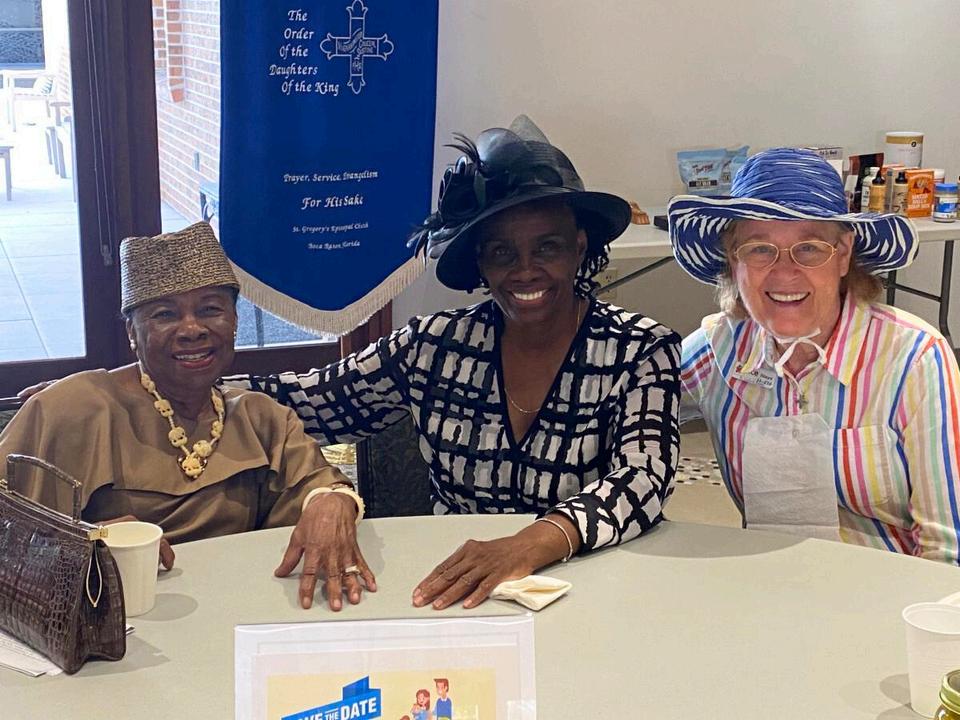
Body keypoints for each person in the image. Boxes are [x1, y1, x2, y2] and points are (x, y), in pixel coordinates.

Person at [225, 115, 682, 608]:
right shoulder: (433, 347)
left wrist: (530, 544)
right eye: (502, 252)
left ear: (579, 246)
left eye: (546, 247)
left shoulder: (641, 350)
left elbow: (643, 476)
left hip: (594, 587)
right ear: (479, 263)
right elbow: (308, 402)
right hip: (456, 594)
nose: (525, 270)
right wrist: (194, 380)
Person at [0, 223, 374, 609]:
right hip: (108, 619)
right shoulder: (75, 407)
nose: (192, 330)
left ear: (234, 322)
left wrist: (333, 502)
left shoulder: (258, 416)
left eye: (211, 309)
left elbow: (320, 485)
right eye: (165, 315)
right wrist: (81, 541)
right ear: (132, 332)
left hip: (233, 610)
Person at [670, 147, 960, 563]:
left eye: (809, 248)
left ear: (843, 255)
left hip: (893, 592)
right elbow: (628, 400)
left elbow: (949, 547)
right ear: (733, 261)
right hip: (766, 582)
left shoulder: (914, 359)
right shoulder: (715, 351)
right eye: (759, 249)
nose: (785, 272)